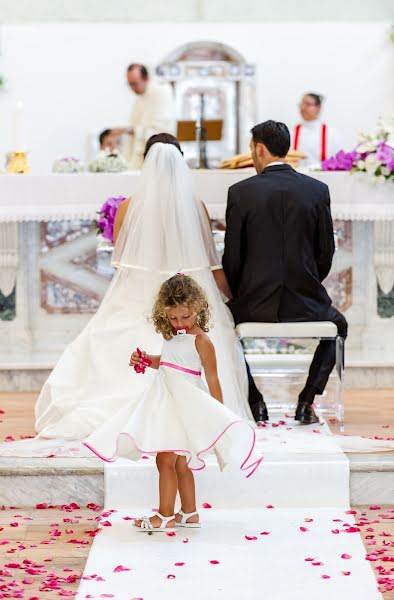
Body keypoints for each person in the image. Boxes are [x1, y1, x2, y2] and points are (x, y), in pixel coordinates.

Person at [35, 134, 253, 441]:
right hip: (189, 302)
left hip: (138, 295)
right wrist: (234, 297)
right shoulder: (196, 207)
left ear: (146, 163)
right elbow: (210, 263)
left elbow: (121, 260)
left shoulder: (128, 207)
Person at [84, 275, 262, 532]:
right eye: (173, 318)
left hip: (183, 406)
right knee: (179, 462)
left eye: (185, 317)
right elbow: (168, 362)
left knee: (165, 460)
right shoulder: (173, 336)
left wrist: (217, 415)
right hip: (165, 401)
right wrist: (145, 359)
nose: (179, 323)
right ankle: (189, 513)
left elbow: (212, 378)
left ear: (198, 309)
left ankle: (164, 515)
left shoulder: (202, 340)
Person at [222, 120, 348, 425]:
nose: (251, 154)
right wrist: (306, 283)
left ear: (260, 149)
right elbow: (325, 252)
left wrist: (242, 293)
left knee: (221, 325)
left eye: (251, 148)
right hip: (305, 302)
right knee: (339, 325)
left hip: (253, 302)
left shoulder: (240, 192)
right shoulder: (317, 190)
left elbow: (233, 258)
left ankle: (255, 402)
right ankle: (307, 401)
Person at [113, 64, 175, 169]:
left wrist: (131, 130)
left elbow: (163, 131)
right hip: (139, 158)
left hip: (156, 158)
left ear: (146, 79)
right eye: (129, 84)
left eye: (134, 83)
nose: (132, 88)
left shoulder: (161, 93)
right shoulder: (139, 97)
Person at [292, 93, 343, 168]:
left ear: (318, 107)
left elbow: (337, 160)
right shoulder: (292, 133)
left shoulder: (331, 134)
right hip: (297, 177)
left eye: (308, 104)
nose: (303, 108)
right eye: (301, 104)